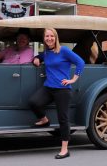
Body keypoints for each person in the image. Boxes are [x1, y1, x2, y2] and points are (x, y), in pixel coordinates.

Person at [29, 28, 85, 159]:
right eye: (47, 36)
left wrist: (73, 79)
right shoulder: (47, 53)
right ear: (44, 39)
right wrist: (36, 58)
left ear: (56, 37)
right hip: (49, 87)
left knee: (63, 119)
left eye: (51, 36)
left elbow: (80, 62)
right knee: (33, 102)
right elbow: (39, 57)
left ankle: (65, 149)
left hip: (62, 89)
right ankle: (44, 120)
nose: (49, 38)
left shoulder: (64, 50)